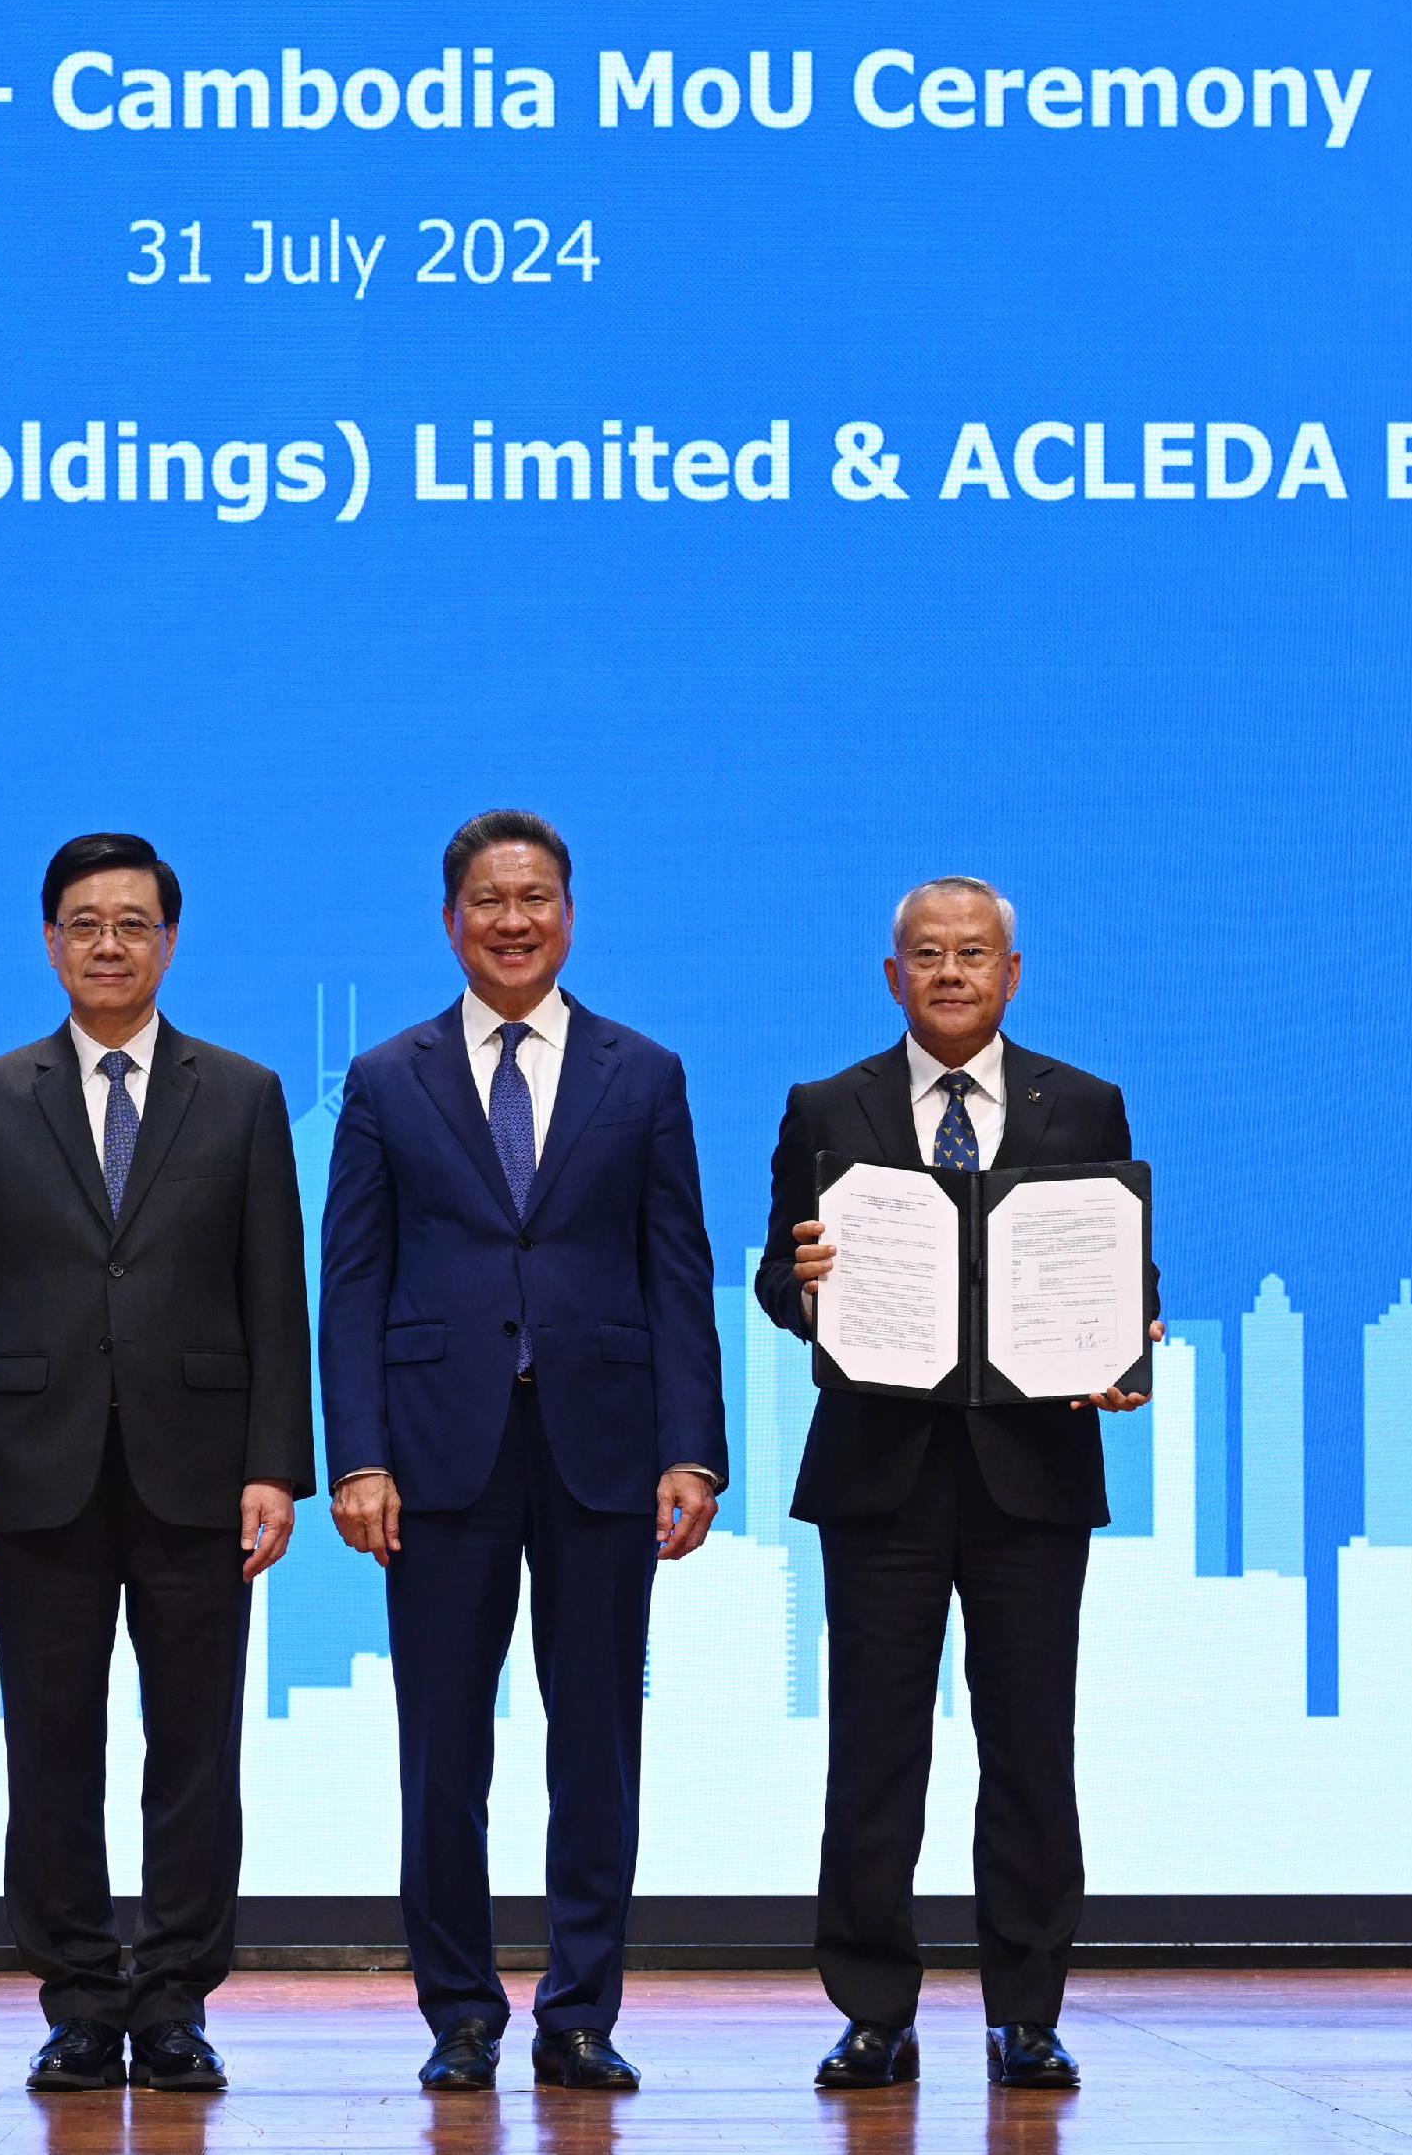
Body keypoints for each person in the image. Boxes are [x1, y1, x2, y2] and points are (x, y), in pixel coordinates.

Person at [318, 811, 727, 2094]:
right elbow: (354, 1279)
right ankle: (456, 2011)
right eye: (489, 899)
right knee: (443, 1746)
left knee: (596, 1740)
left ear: (569, 912)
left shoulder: (643, 1071)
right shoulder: (387, 1076)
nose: (512, 919)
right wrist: (357, 1454)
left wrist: (694, 1450)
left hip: (603, 1447)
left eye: (536, 897)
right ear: (452, 919)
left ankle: (580, 2010)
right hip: (438, 1456)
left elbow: (678, 1271)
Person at [0, 832, 314, 2094]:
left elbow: (274, 1292)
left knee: (194, 1748)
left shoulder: (242, 1092)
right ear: (48, 941)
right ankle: (81, 1995)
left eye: (132, 922)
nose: (108, 942)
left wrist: (277, 1464)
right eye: (84, 922)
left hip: (201, 1470)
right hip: (34, 1469)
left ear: (169, 940)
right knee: (49, 1743)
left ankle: (177, 1996)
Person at [762, 875, 1154, 2095]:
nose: (948, 972)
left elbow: (1125, 1269)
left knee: (1031, 1746)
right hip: (879, 1474)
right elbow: (780, 1279)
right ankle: (872, 2010)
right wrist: (807, 1280)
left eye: (972, 953)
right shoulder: (828, 1104)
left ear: (1012, 972)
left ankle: (1025, 2013)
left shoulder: (1081, 1101)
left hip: (1031, 1475)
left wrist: (1127, 1342)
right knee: (873, 1752)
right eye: (924, 954)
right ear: (891, 976)